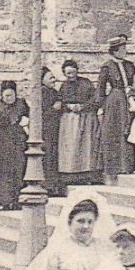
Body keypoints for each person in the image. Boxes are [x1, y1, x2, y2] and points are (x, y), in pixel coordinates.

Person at [54, 59, 102, 189]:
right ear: (65, 74)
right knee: (70, 146)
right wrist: (68, 106)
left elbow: (95, 99)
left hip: (86, 117)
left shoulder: (86, 83)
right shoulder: (63, 86)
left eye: (73, 72)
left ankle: (87, 175)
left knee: (86, 146)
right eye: (68, 73)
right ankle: (70, 175)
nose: (71, 75)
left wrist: (84, 107)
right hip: (69, 119)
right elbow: (59, 101)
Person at [97, 35, 135, 184]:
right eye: (122, 49)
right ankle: (112, 169)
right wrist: (100, 107)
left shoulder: (130, 65)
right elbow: (100, 89)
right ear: (114, 51)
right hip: (114, 102)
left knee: (129, 131)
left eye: (125, 48)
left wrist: (134, 90)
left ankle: (127, 166)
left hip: (129, 101)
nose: (124, 51)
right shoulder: (107, 66)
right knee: (113, 132)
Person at [0, 80, 31, 210]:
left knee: (19, 170)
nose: (8, 98)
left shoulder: (22, 104)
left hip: (19, 142)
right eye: (6, 96)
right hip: (3, 143)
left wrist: (27, 122)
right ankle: (6, 201)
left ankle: (18, 199)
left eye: (11, 95)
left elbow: (30, 117)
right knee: (5, 173)